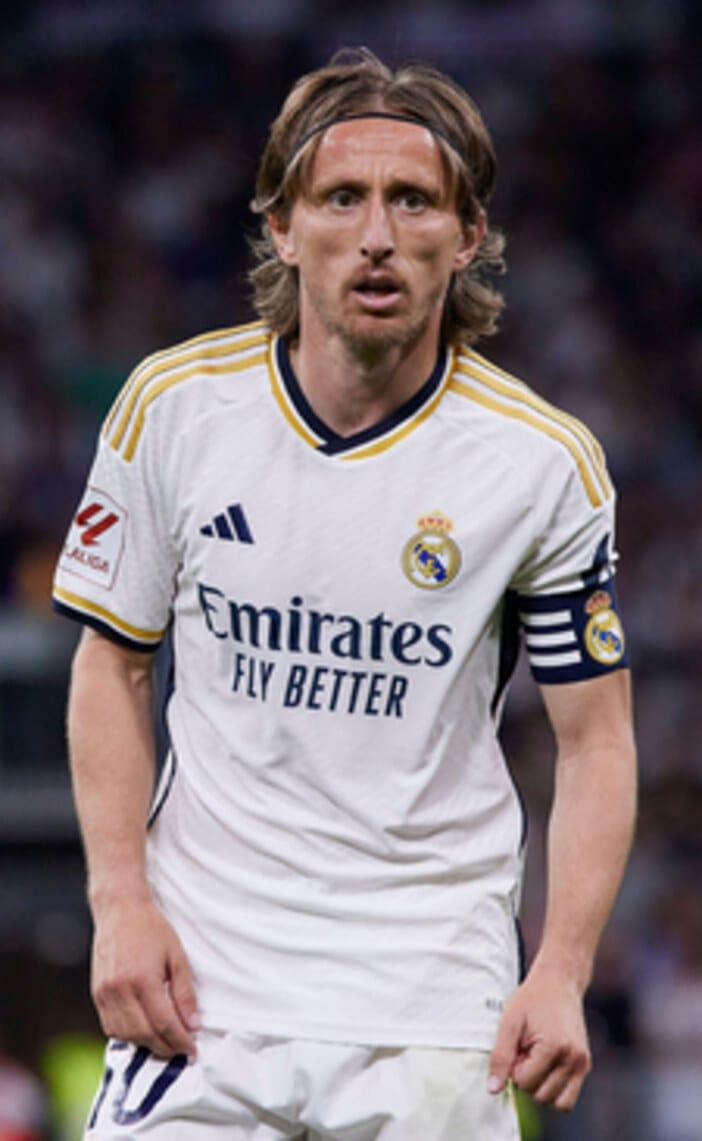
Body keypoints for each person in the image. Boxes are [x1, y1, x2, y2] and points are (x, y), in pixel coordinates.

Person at [52, 48, 637, 1140]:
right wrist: (119, 901)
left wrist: (561, 966)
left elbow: (596, 739)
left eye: (413, 200)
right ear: (282, 227)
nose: (377, 234)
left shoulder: (541, 462)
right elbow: (113, 665)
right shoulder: (174, 409)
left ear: (467, 235)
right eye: (341, 198)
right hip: (204, 992)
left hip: (431, 1001)